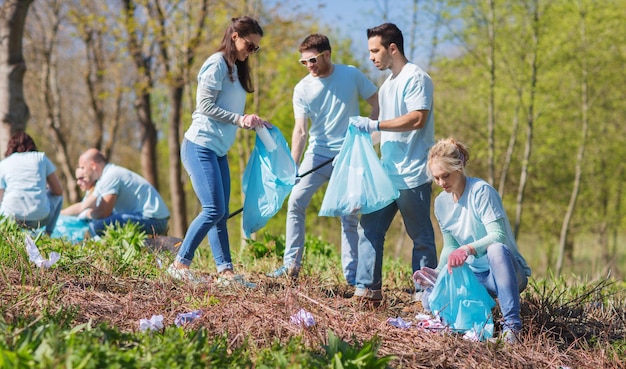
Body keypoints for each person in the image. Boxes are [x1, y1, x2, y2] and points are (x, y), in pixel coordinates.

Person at [267, 33, 379, 285]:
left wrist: (366, 138)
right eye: (303, 62)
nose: (309, 66)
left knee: (348, 215)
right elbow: (300, 131)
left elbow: (377, 103)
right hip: (317, 155)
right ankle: (290, 266)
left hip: (348, 155)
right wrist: (293, 166)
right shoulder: (302, 88)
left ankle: (352, 277)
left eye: (313, 60)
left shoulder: (350, 75)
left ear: (327, 54)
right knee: (295, 201)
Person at [166, 16, 268, 286]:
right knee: (212, 209)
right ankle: (179, 265)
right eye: (250, 44)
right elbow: (205, 106)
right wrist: (238, 119)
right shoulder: (216, 64)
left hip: (218, 150)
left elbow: (230, 110)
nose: (251, 51)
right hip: (200, 146)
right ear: (235, 36)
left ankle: (226, 273)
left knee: (220, 212)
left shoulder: (236, 69)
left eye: (255, 48)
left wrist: (252, 120)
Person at [350, 23, 437, 302]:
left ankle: (425, 298)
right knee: (369, 229)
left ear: (392, 48)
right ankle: (367, 292)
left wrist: (375, 123)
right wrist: (360, 139)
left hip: (413, 175)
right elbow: (383, 129)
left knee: (421, 238)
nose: (372, 57)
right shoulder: (386, 85)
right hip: (387, 174)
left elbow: (416, 119)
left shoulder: (416, 78)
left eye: (375, 51)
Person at [416, 137, 531, 343]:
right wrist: (438, 273)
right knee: (428, 299)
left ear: (459, 167)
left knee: (496, 249)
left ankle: (512, 326)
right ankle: (479, 314)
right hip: (475, 278)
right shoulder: (441, 203)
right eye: (436, 178)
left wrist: (467, 249)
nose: (441, 183)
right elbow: (450, 246)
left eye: (446, 176)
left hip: (504, 273)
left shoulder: (481, 191)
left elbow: (498, 235)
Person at [75, 148, 170, 237]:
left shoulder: (111, 176)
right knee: (101, 223)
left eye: (82, 167)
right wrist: (61, 214)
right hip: (150, 219)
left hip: (154, 221)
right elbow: (83, 206)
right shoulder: (104, 177)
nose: (81, 172)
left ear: (93, 165)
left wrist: (87, 214)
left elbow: (103, 213)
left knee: (97, 226)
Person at [0, 132, 63, 235]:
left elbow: (0, 197)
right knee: (59, 198)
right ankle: (48, 234)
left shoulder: (4, 163)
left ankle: (5, 234)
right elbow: (58, 191)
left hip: (11, 218)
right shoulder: (41, 158)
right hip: (39, 218)